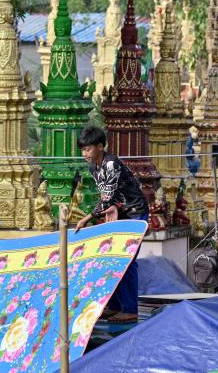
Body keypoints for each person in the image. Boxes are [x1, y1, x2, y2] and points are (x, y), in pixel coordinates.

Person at [75, 126, 148, 323]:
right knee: (113, 259)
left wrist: (87, 217)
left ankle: (130, 309)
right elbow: (108, 195)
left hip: (135, 212)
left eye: (88, 149)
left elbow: (107, 197)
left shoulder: (110, 164)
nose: (85, 154)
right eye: (82, 150)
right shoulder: (93, 167)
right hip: (121, 212)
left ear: (100, 147)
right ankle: (115, 306)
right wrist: (111, 208)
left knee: (128, 260)